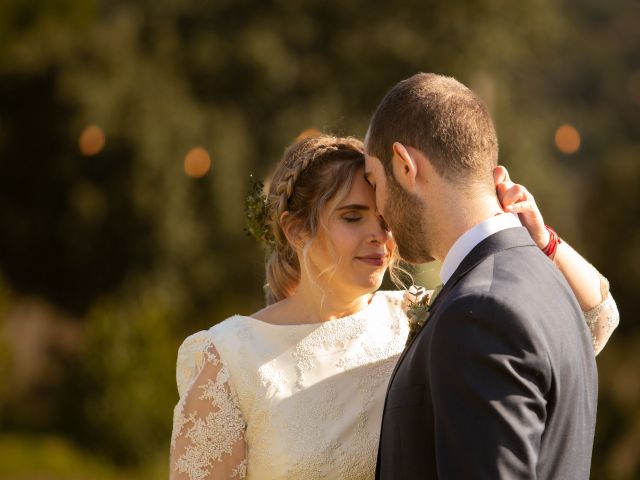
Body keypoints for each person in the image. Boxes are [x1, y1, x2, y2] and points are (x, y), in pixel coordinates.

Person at [170, 134, 618, 479]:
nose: (378, 236)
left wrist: (543, 239)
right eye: (352, 217)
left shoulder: (420, 316)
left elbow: (595, 319)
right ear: (295, 231)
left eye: (383, 219)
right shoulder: (227, 357)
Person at [365, 73, 613, 479]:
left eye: (375, 181)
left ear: (404, 166)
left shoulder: (480, 312)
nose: (378, 211)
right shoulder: (548, 284)